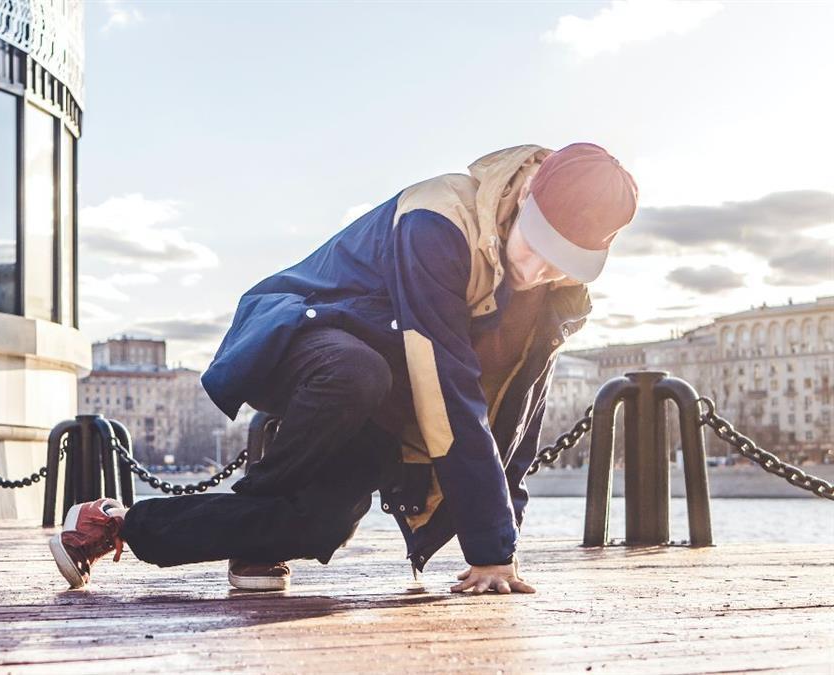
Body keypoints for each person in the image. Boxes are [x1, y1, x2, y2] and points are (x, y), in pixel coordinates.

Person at [50, 143, 638, 594]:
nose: (535, 270)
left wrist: (506, 541)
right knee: (355, 373)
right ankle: (267, 483)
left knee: (317, 527)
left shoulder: (553, 296)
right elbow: (447, 384)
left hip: (388, 401)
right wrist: (488, 546)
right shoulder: (437, 219)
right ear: (528, 188)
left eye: (560, 263)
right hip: (303, 338)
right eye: (535, 243)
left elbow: (515, 413)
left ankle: (116, 523)